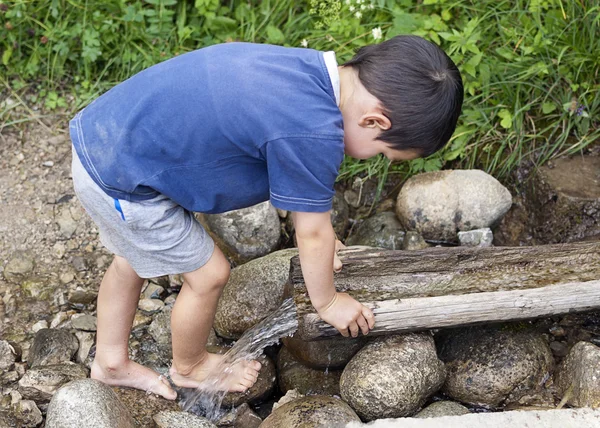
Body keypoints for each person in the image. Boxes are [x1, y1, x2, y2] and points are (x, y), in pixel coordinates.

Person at [70, 35, 463, 400]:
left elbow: (289, 181)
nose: (371, 159)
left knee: (131, 259)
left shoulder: (307, 72)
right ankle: (189, 366)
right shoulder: (314, 133)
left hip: (108, 138)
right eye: (381, 153)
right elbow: (310, 233)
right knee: (208, 275)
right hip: (126, 181)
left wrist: (321, 237)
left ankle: (110, 363)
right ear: (375, 121)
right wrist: (327, 301)